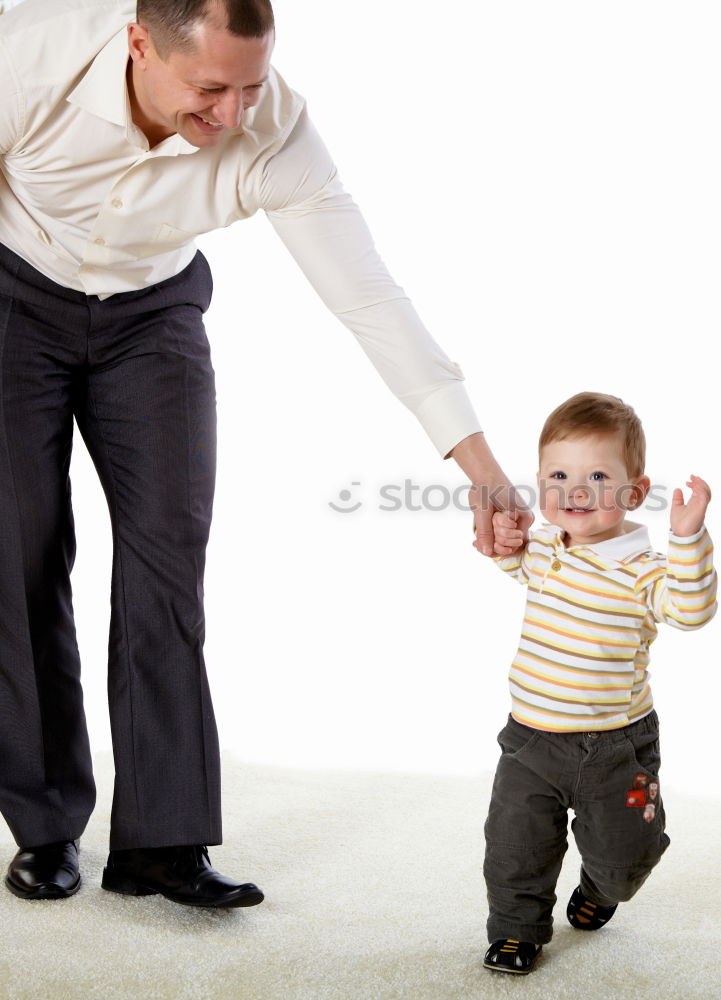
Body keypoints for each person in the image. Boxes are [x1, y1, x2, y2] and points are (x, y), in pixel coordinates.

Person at [0, 0, 527, 908]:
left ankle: (162, 845)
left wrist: (480, 468)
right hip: (16, 295)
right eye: (210, 88)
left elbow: (366, 295)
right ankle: (46, 825)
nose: (235, 116)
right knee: (20, 556)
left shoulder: (275, 128)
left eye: (252, 85)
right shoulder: (27, 60)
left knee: (168, 564)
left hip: (152, 314)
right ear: (139, 44)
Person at [481, 392, 717, 974]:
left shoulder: (645, 570)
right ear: (540, 484)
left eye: (597, 476)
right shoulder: (544, 551)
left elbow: (690, 610)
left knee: (623, 858)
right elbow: (509, 559)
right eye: (559, 475)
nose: (576, 491)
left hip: (614, 745)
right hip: (530, 741)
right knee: (514, 848)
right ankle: (516, 928)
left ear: (634, 493)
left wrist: (688, 537)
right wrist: (507, 535)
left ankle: (601, 887)